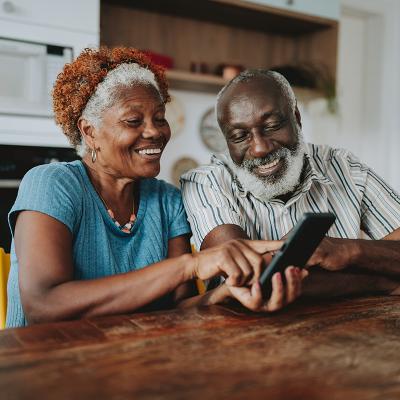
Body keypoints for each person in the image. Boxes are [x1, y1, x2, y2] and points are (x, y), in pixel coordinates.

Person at [6, 49, 303, 328]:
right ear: (89, 131)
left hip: (131, 364)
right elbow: (43, 305)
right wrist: (190, 265)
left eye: (160, 118)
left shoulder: (167, 200)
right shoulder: (52, 184)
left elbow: (178, 309)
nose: (154, 132)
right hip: (46, 368)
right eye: (134, 121)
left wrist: (223, 295)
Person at [181, 69, 400, 298]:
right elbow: (254, 280)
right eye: (239, 136)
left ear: (297, 118)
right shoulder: (206, 183)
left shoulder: (344, 167)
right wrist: (380, 280)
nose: (259, 148)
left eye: (272, 125)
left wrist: (348, 250)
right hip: (247, 332)